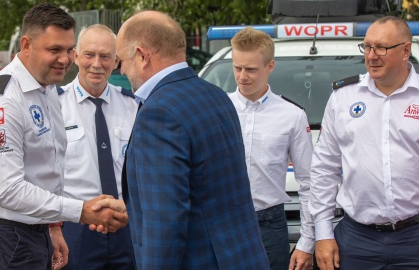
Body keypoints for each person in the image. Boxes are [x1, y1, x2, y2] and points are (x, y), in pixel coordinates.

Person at [0, 4, 127, 270]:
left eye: (67, 49)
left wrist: (53, 227)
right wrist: (80, 211)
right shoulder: (3, 103)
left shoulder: (46, 87)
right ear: (27, 44)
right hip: (7, 234)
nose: (64, 59)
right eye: (54, 50)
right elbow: (9, 191)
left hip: (34, 227)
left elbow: (47, 169)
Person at [115, 10, 270, 269]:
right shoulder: (216, 95)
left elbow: (164, 223)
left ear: (142, 56)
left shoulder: (158, 112)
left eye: (122, 59)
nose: (120, 68)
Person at [309, 16, 419, 270]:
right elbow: (324, 169)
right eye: (367, 47)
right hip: (357, 240)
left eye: (381, 47)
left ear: (405, 50)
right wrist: (323, 234)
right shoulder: (343, 98)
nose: (371, 55)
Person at [229, 27, 315, 270]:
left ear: (270, 66)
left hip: (269, 226)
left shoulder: (292, 116)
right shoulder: (217, 108)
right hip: (222, 222)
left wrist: (306, 241)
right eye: (237, 68)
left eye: (251, 69)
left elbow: (308, 182)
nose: (242, 76)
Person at [58, 24, 137, 270]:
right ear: (76, 57)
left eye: (105, 56)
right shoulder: (54, 107)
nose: (96, 63)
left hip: (128, 226)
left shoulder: (134, 106)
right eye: (89, 54)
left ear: (116, 61)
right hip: (76, 228)